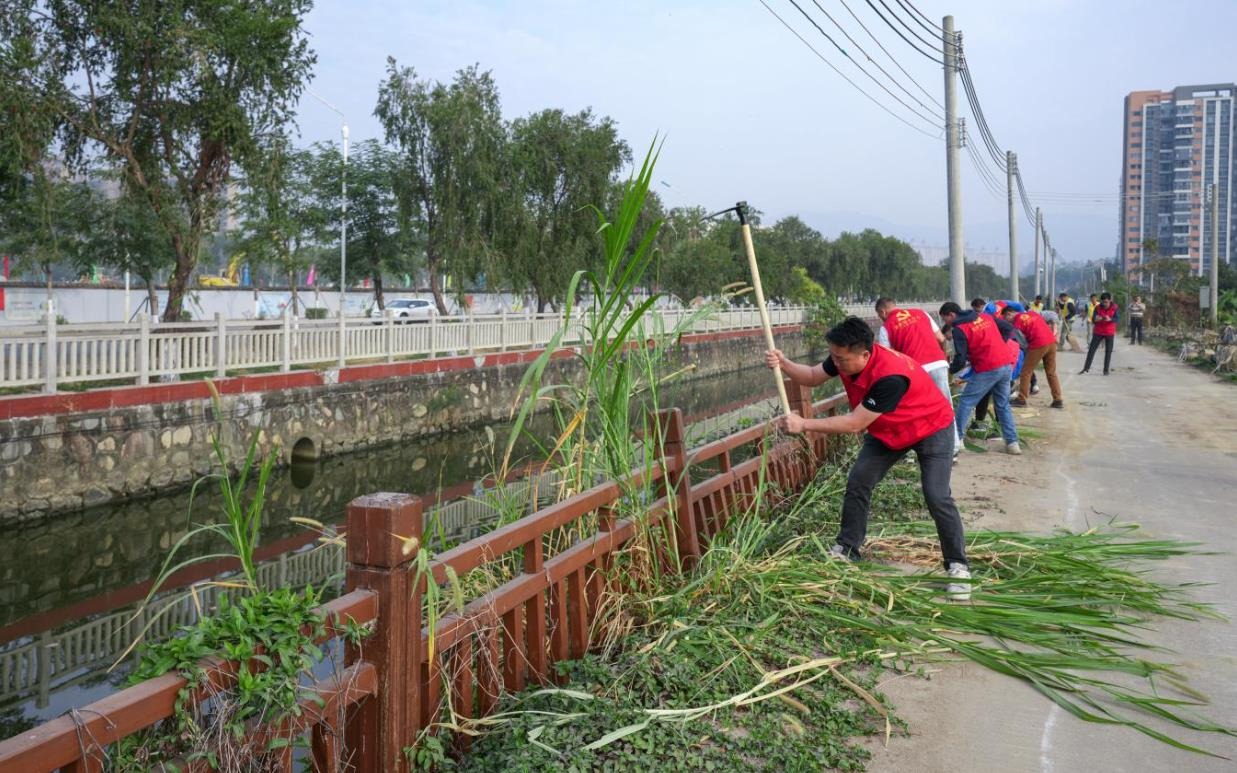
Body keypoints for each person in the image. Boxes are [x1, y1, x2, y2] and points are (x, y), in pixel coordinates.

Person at [765, 317, 972, 599]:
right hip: (889, 430)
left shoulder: (890, 376)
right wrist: (784, 363)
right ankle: (848, 548)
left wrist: (804, 424)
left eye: (842, 359)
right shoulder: (846, 356)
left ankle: (958, 565)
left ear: (865, 354)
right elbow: (813, 376)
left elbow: (854, 423)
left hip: (930, 427)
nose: (836, 364)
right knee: (859, 480)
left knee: (936, 495)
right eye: (834, 357)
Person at [939, 301, 1021, 456]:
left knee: (966, 402)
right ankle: (1012, 443)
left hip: (988, 367)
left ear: (951, 315)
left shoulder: (959, 328)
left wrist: (948, 369)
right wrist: (996, 346)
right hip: (1005, 363)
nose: (946, 323)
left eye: (945, 319)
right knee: (1002, 405)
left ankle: (957, 440)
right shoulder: (984, 316)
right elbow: (1008, 328)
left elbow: (960, 358)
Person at [874, 298, 951, 403]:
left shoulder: (886, 327)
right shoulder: (921, 313)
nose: (880, 318)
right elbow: (941, 339)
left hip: (915, 370)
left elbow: (887, 358)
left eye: (879, 315)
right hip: (938, 364)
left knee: (923, 404)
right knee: (945, 403)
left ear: (883, 312)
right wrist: (943, 357)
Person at [1002, 305, 1064, 408]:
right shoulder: (1033, 313)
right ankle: (1058, 400)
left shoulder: (1017, 323)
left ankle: (1021, 399)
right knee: (1051, 372)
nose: (1007, 321)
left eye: (1005, 318)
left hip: (1038, 344)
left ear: (1009, 314)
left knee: (1026, 371)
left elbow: (1023, 344)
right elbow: (1048, 320)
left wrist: (1028, 354)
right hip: (1051, 343)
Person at [1081, 292, 1118, 375]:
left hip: (1109, 332)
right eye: (1103, 302)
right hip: (1098, 331)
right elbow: (1093, 319)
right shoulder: (1097, 307)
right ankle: (1086, 368)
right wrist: (1097, 319)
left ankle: (1106, 370)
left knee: (1108, 351)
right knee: (1091, 350)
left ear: (1110, 300)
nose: (1105, 304)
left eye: (1106, 302)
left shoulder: (1114, 307)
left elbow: (1117, 319)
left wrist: (1110, 319)